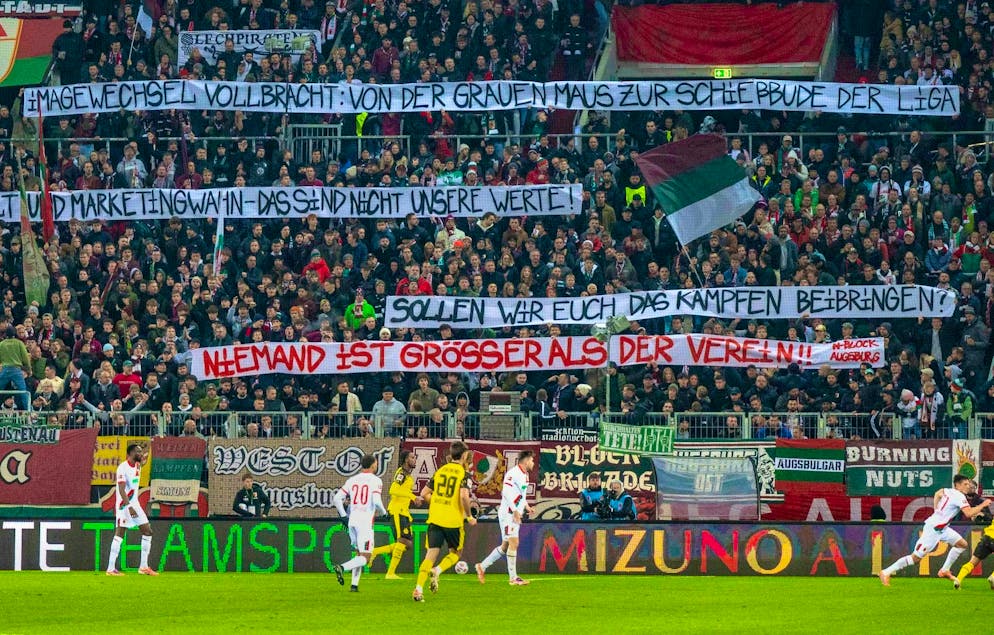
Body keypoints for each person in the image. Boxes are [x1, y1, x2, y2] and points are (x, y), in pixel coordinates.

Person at [879, 475, 991, 586]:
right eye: (965, 484)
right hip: (934, 529)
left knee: (962, 544)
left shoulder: (948, 491)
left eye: (968, 484)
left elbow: (937, 493)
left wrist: (936, 509)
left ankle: (945, 570)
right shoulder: (959, 496)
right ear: (958, 485)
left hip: (943, 528)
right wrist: (983, 505)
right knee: (916, 558)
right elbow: (968, 513)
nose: (968, 486)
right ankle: (886, 572)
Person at [413, 441, 477, 602]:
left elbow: (424, 493)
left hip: (435, 518)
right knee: (456, 553)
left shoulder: (440, 471)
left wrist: (437, 501)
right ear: (463, 456)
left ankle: (418, 589)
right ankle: (438, 570)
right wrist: (469, 516)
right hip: (453, 521)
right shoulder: (464, 474)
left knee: (430, 555)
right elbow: (464, 496)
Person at [475, 450, 535, 586]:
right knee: (514, 543)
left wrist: (527, 507)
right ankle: (513, 578)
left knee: (505, 546)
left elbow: (520, 495)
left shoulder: (525, 475)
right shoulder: (513, 473)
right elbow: (506, 492)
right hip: (509, 513)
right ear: (525, 461)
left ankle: (482, 566)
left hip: (513, 513)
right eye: (531, 460)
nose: (533, 463)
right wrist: (514, 511)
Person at [333, 454, 387, 592]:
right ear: (373, 465)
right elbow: (376, 500)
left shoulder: (352, 480)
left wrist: (344, 516)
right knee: (366, 557)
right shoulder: (376, 481)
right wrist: (384, 513)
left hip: (352, 520)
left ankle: (354, 585)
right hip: (365, 522)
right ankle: (342, 567)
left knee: (359, 554)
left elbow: (337, 499)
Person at [368, 450, 421, 579]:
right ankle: (390, 573)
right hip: (397, 511)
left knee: (407, 544)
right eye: (412, 457)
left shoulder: (408, 475)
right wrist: (413, 497)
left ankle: (375, 552)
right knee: (403, 541)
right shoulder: (401, 473)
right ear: (405, 460)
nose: (414, 460)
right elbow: (393, 490)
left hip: (404, 512)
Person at [106, 443, 157, 576]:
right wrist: (128, 507)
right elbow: (122, 490)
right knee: (120, 534)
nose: (140, 454)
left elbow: (144, 459)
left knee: (147, 531)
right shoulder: (122, 468)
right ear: (130, 454)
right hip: (124, 506)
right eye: (138, 452)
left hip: (135, 504)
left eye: (141, 452)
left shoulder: (138, 466)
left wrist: (151, 444)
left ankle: (143, 567)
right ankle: (110, 569)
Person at [953, 498, 994, 590]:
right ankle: (993, 577)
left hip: (986, 538)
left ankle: (958, 579)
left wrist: (981, 514)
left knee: (972, 562)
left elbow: (989, 518)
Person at [0, 327, 30, 410]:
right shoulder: (19, 343)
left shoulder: (1, 344)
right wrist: (28, 369)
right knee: (23, 392)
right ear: (15, 333)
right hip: (16, 370)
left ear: (5, 334)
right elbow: (25, 358)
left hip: (5, 370)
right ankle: (29, 413)